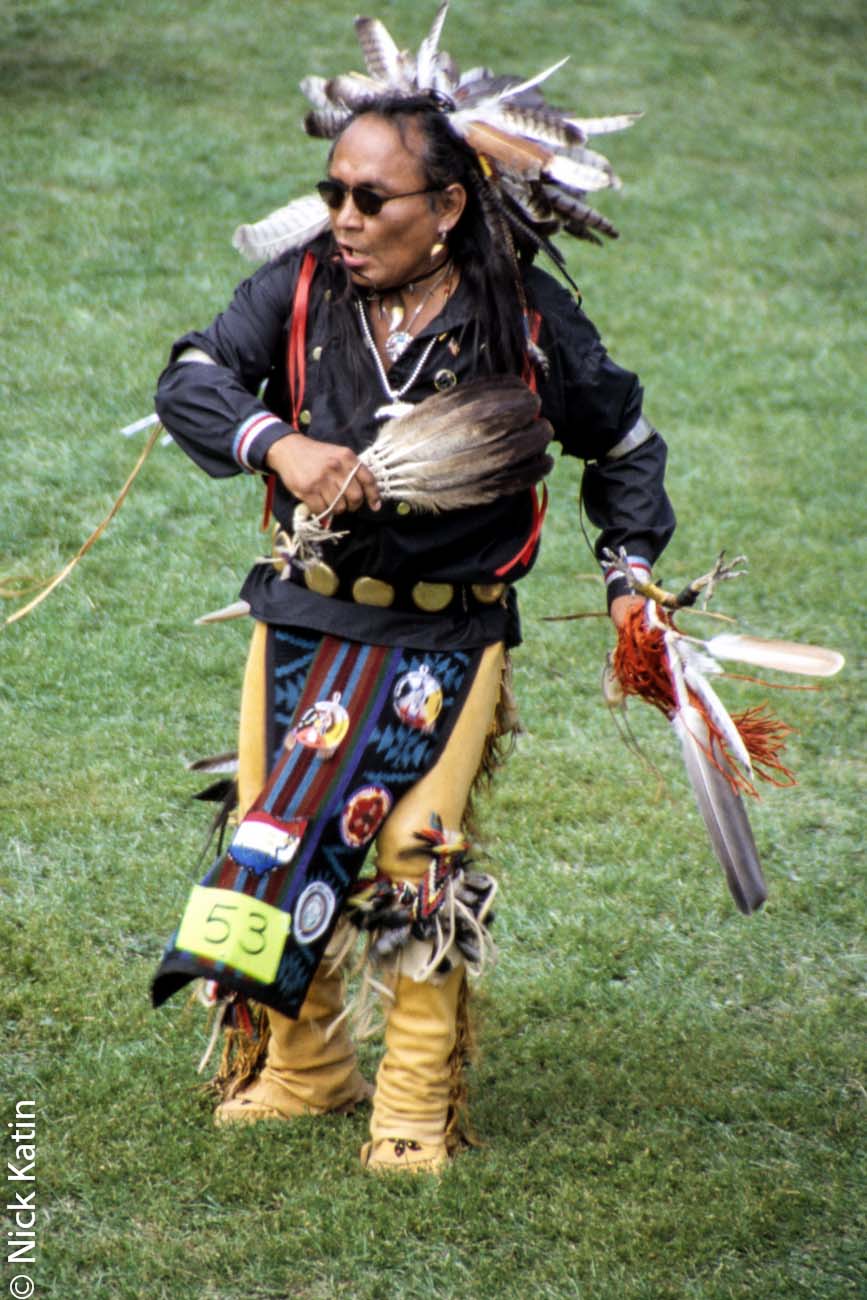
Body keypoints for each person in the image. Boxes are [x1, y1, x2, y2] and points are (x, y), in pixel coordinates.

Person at [151, 15, 675, 1174]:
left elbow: (625, 442)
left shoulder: (526, 319)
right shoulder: (301, 289)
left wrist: (630, 579)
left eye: (374, 199)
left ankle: (415, 1099)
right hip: (305, 613)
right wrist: (275, 446)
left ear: (446, 208)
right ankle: (306, 1065)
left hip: (448, 634)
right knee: (270, 826)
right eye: (333, 190)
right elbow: (190, 372)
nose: (346, 216)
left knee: (413, 851)